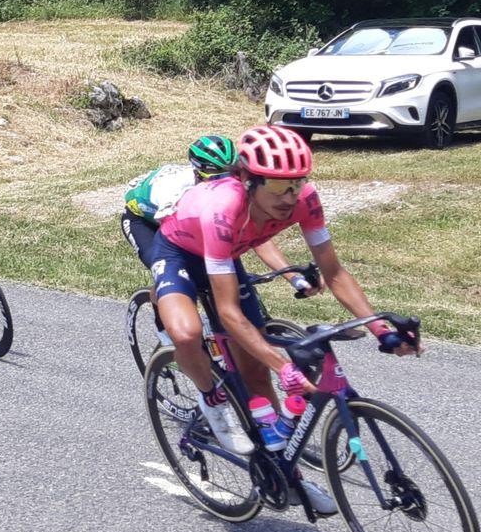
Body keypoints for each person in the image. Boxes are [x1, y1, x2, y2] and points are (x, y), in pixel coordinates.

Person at [150, 124, 422, 511]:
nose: (289, 196)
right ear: (246, 179)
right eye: (277, 187)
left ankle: (286, 473)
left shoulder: (305, 201)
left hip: (227, 256)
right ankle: (212, 399)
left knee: (255, 371)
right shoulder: (222, 208)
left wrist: (382, 330)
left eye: (297, 183)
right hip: (180, 251)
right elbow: (227, 312)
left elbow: (335, 274)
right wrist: (285, 366)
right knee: (187, 333)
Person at [120, 135, 236, 271]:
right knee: (166, 268)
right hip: (142, 220)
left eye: (230, 172)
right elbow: (169, 231)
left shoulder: (210, 180)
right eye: (218, 175)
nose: (225, 180)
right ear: (199, 172)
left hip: (174, 209)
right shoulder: (174, 188)